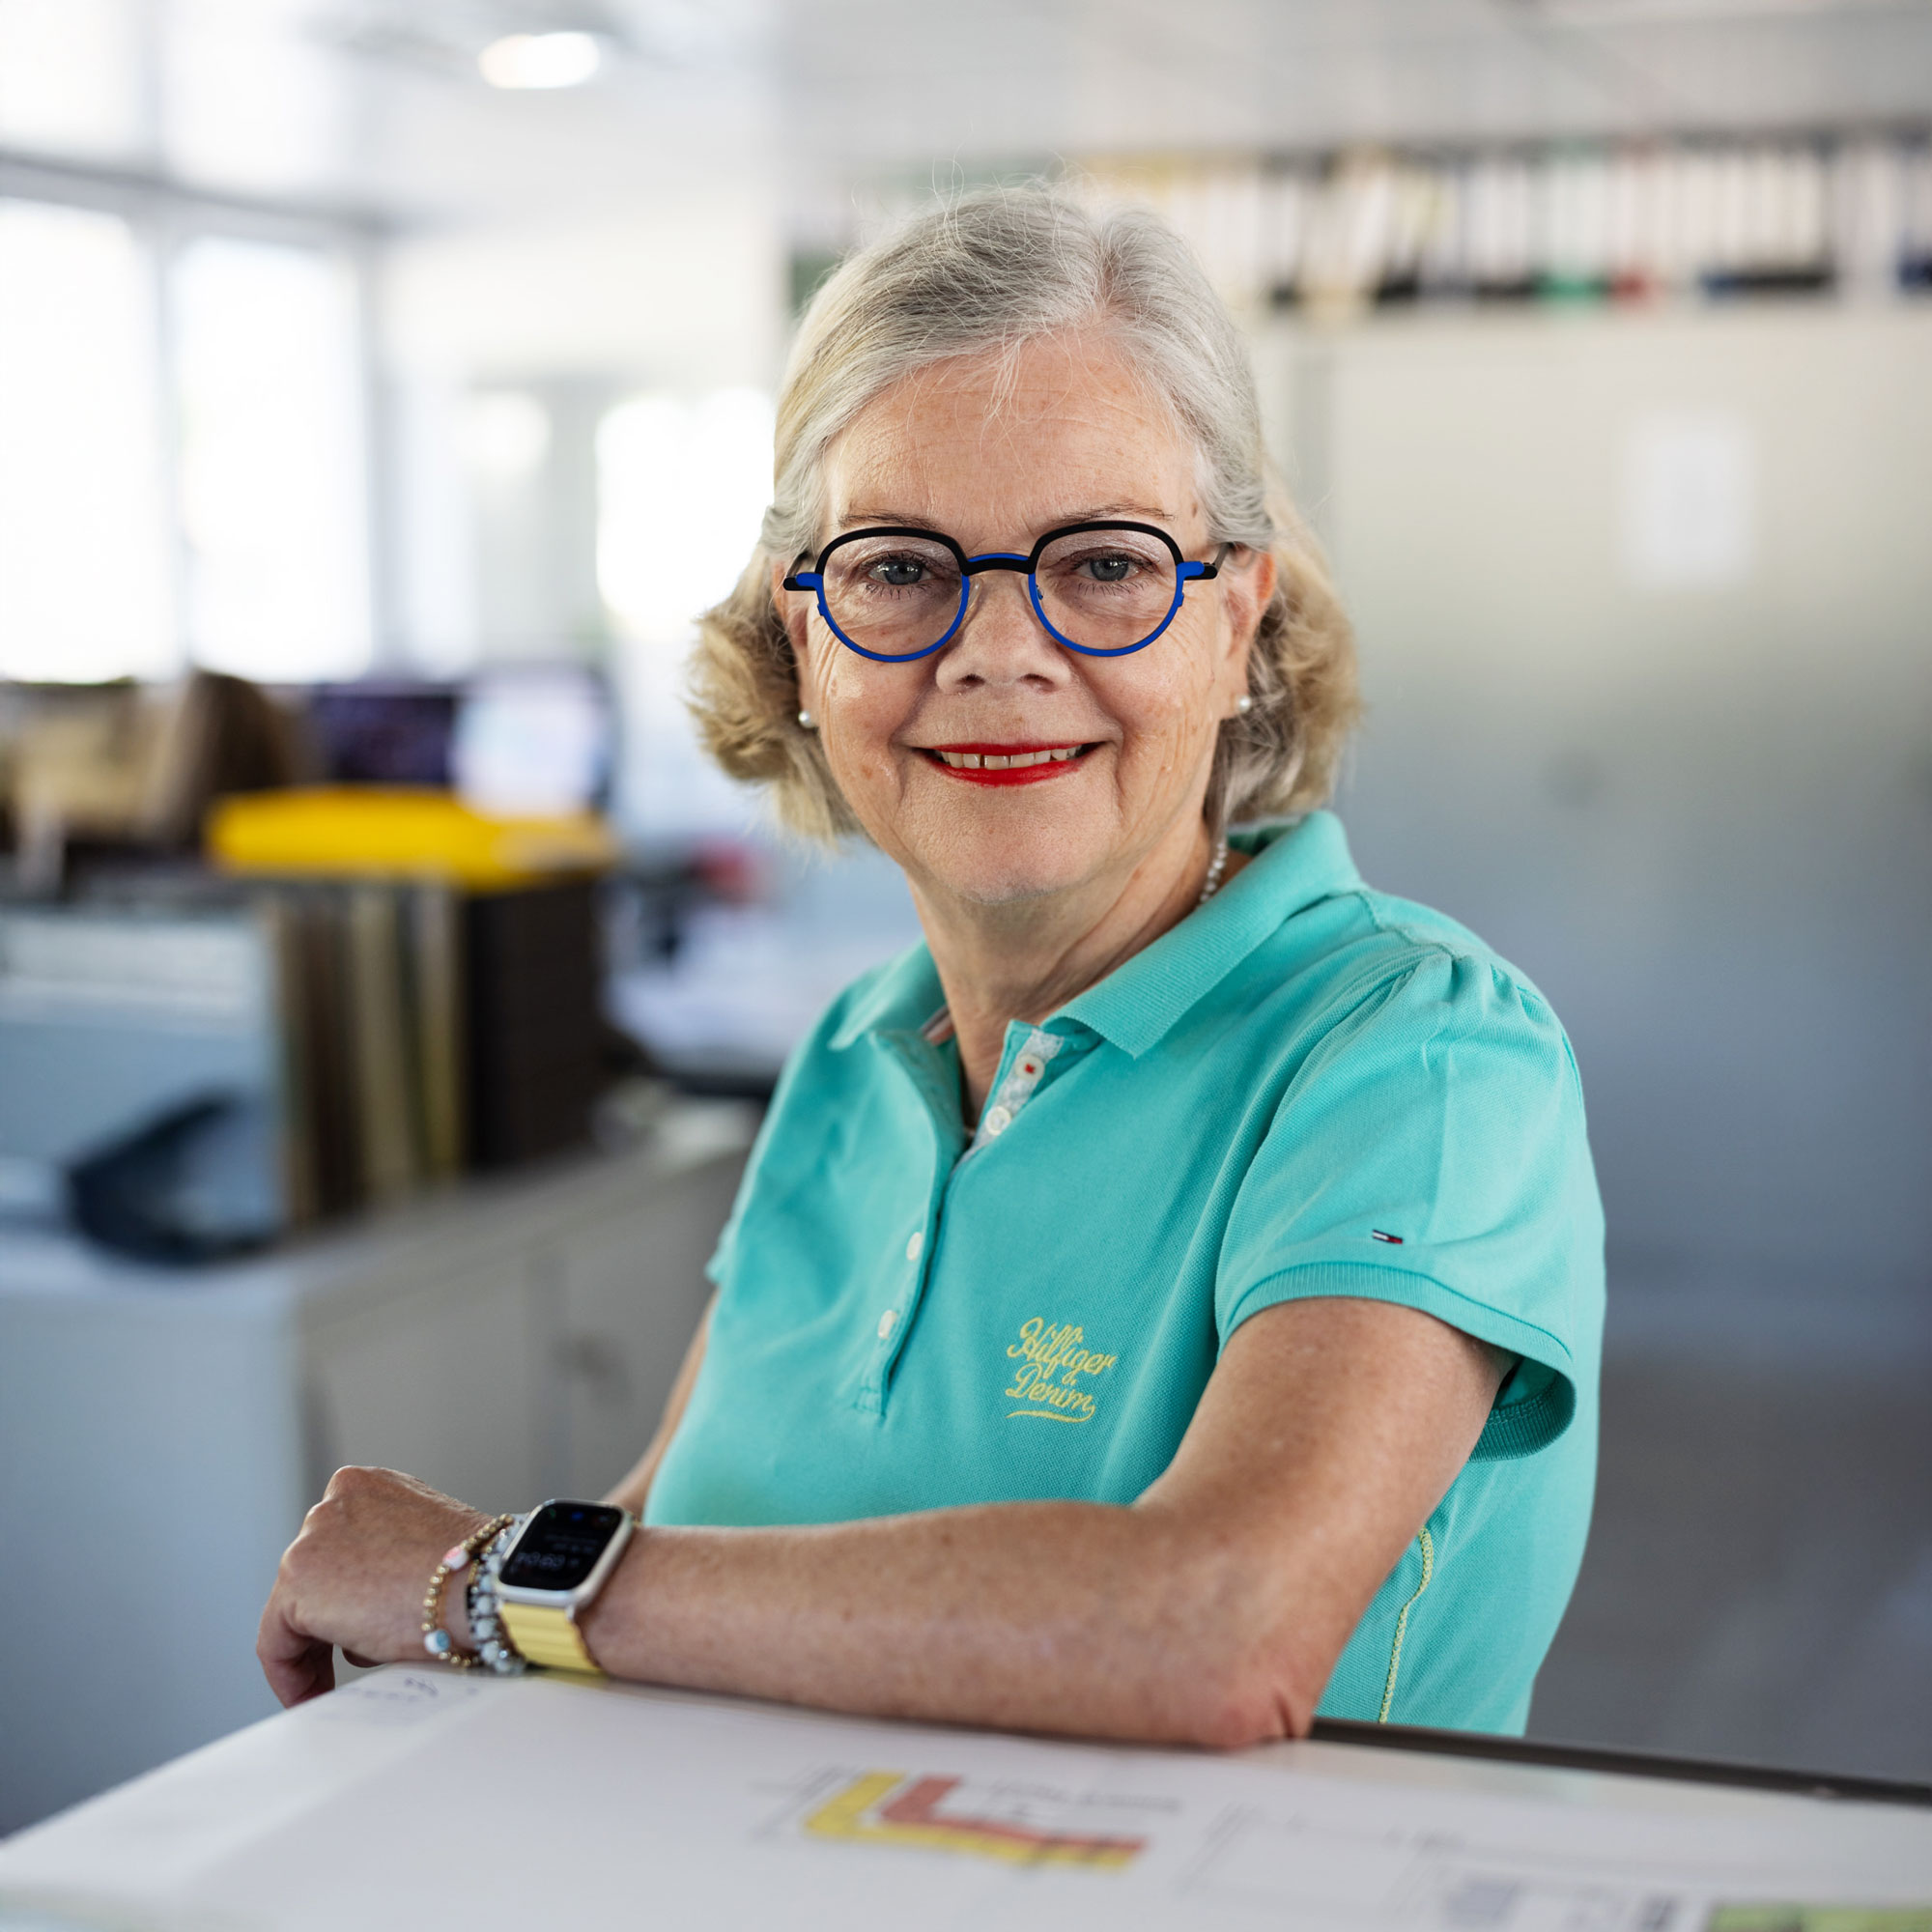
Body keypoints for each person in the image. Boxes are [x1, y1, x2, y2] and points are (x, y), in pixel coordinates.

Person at [260, 188, 1603, 1747]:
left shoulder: (1420, 1053)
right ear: (801, 643)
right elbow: (671, 1532)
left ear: (1236, 623)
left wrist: (484, 1581)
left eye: (1102, 562)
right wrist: (490, 1613)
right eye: (900, 566)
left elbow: (1218, 1632)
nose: (997, 650)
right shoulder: (856, 1049)